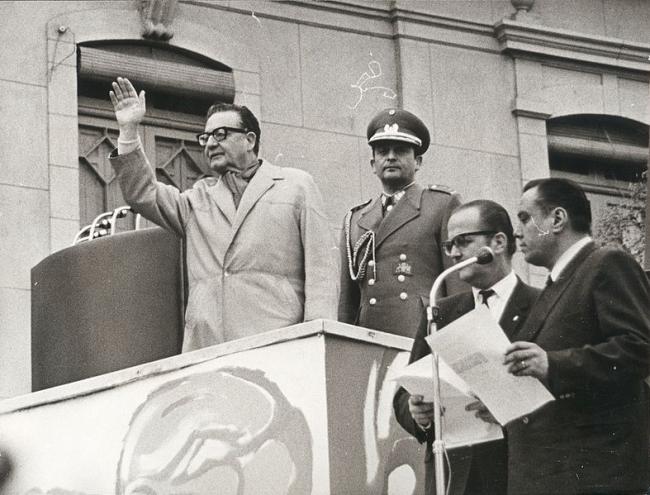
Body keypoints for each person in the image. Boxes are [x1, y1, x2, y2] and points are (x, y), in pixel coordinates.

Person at [108, 77, 338, 352]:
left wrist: (316, 342)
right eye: (205, 138)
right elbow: (142, 193)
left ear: (250, 139)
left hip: (277, 344)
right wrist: (129, 131)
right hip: (208, 349)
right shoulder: (197, 199)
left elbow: (322, 271)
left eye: (221, 134)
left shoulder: (296, 186)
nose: (210, 145)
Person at [505, 177, 650, 495]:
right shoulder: (556, 283)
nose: (518, 232)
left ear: (557, 219)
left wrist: (553, 365)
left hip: (594, 474)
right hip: (552, 474)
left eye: (525, 217)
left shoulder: (608, 263)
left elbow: (639, 349)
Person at [393, 199, 540, 495]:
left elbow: (561, 391)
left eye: (463, 242)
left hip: (516, 470)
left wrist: (509, 408)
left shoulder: (541, 305)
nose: (454, 253)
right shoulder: (440, 310)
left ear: (498, 242)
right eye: (450, 245)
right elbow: (405, 394)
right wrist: (416, 413)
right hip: (454, 474)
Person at [338, 108, 465, 337]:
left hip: (419, 333)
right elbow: (348, 302)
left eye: (401, 151)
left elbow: (457, 286)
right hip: (369, 335)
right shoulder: (356, 219)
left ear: (417, 161)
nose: (390, 157)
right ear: (372, 164)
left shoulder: (441, 205)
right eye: (382, 151)